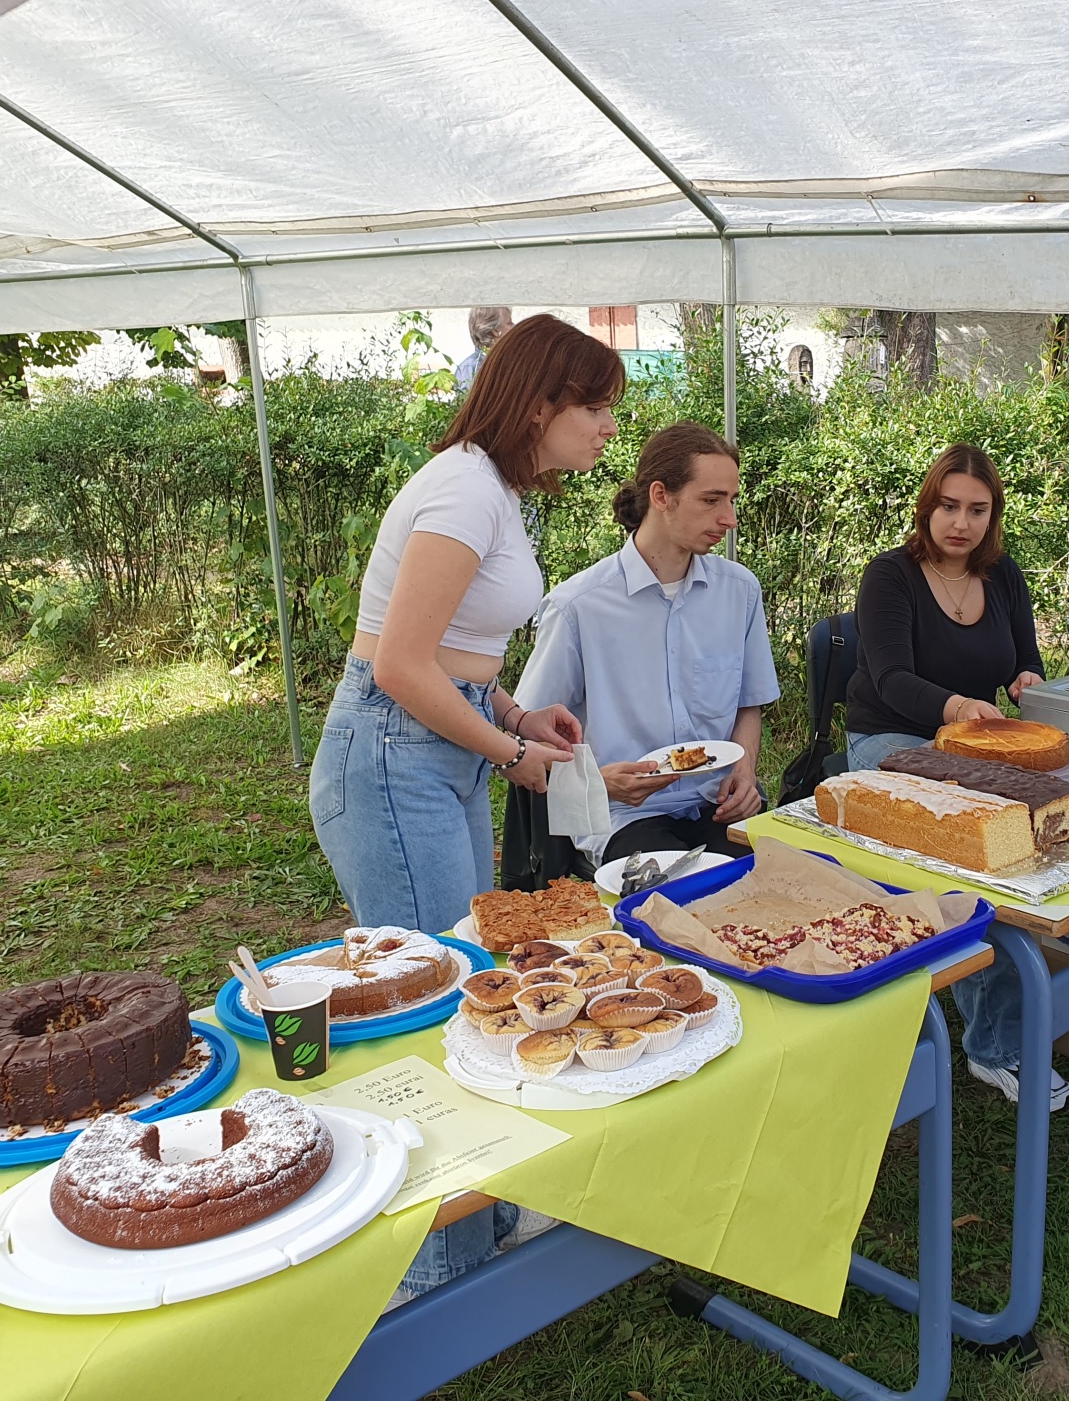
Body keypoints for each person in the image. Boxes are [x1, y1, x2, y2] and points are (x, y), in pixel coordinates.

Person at [306, 313, 622, 1303]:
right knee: (430, 1003)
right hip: (393, 757)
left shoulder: (489, 493)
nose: (610, 428)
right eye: (598, 408)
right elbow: (397, 665)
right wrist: (514, 752)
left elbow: (450, 658)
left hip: (428, 755)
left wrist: (513, 709)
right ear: (542, 405)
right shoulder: (460, 490)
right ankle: (433, 1266)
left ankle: (462, 1231)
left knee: (455, 981)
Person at [842, 444, 1069, 1112]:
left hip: (976, 746)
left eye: (976, 509)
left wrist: (1028, 681)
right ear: (927, 506)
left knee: (1040, 826)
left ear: (993, 515)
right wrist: (957, 707)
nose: (960, 523)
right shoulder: (890, 576)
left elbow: (1026, 660)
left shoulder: (1003, 577)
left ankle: (1002, 1008)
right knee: (971, 845)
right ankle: (996, 1046)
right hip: (889, 739)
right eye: (948, 506)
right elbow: (889, 677)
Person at [513, 422, 779, 868]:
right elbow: (526, 736)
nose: (729, 518)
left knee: (792, 890)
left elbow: (749, 704)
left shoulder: (740, 591)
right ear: (661, 496)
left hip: (720, 804)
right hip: (625, 816)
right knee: (688, 901)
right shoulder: (578, 607)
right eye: (712, 500)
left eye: (732, 500)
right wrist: (599, 783)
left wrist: (745, 768)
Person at [454, 305, 513, 393]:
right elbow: (465, 403)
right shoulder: (470, 368)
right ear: (495, 331)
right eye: (509, 322)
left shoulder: (509, 362)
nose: (514, 326)